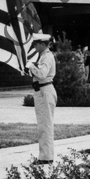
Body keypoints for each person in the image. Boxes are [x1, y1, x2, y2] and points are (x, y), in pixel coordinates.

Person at [27, 33, 56, 165]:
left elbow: (42, 74)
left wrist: (31, 66)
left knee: (45, 125)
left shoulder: (47, 57)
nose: (34, 46)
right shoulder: (44, 56)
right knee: (43, 125)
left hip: (45, 90)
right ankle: (45, 156)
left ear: (43, 44)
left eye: (36, 44)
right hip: (42, 90)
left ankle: (46, 157)